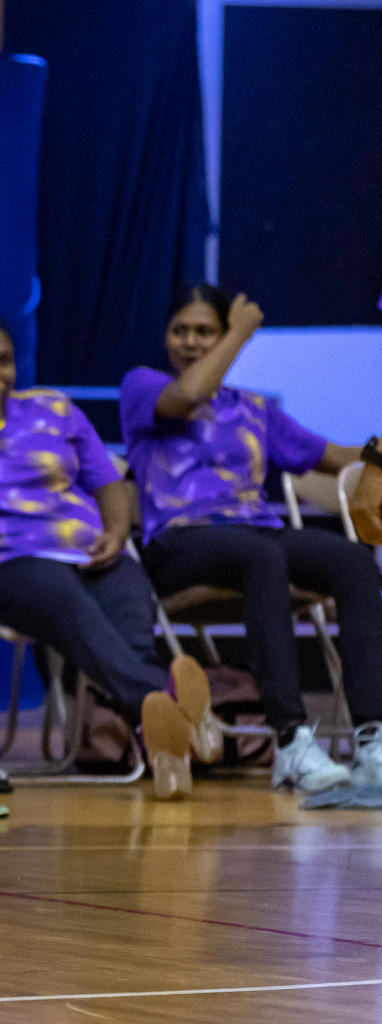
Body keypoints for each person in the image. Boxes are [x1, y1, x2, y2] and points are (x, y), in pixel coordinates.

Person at [0, 310, 215, 800]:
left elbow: (108, 481)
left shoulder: (55, 409)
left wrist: (114, 531)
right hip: (3, 570)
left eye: (4, 360)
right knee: (61, 593)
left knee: (129, 587)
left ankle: (163, 741)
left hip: (88, 555)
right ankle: (168, 701)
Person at [121, 283, 382, 793]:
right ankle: (291, 741)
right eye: (181, 330)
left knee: (353, 562)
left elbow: (334, 457)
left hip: (254, 536)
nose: (192, 342)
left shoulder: (252, 408)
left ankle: (373, 738)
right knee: (260, 556)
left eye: (205, 331)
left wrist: (377, 452)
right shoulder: (143, 386)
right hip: (178, 544)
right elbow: (191, 393)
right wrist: (240, 331)